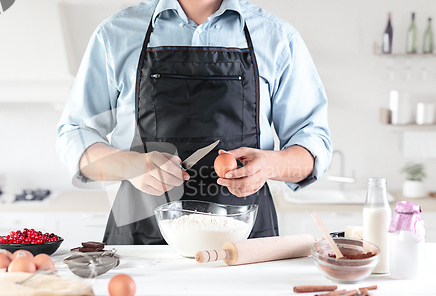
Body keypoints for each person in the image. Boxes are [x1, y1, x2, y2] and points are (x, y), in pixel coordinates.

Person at [56, 0, 332, 245]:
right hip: (142, 242)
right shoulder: (116, 34)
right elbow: (74, 135)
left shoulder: (277, 37)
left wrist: (270, 165)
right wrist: (133, 166)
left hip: (243, 243)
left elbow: (313, 146)